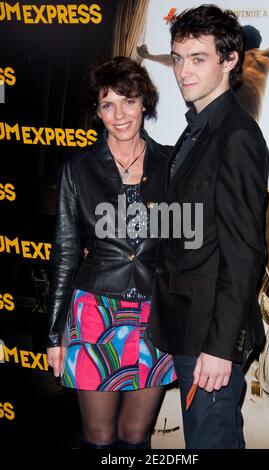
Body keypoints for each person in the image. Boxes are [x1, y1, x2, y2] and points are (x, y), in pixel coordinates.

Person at [149, 5, 269, 449]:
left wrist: (220, 347)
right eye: (178, 58)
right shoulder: (198, 128)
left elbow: (244, 253)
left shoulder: (235, 135)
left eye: (198, 58)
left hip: (209, 337)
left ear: (230, 60)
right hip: (189, 326)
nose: (182, 71)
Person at [46, 56, 177, 450]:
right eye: (108, 104)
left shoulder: (171, 164)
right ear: (97, 111)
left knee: (135, 436)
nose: (119, 115)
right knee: (99, 438)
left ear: (145, 105)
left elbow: (184, 246)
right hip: (94, 314)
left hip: (155, 317)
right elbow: (65, 252)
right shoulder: (78, 168)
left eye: (129, 101)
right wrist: (54, 334)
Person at [137, 26, 269, 305]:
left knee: (259, 226)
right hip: (226, 144)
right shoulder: (260, 57)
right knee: (257, 227)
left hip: (234, 146)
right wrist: (151, 57)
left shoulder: (230, 61)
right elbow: (182, 58)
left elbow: (180, 58)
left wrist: (150, 56)